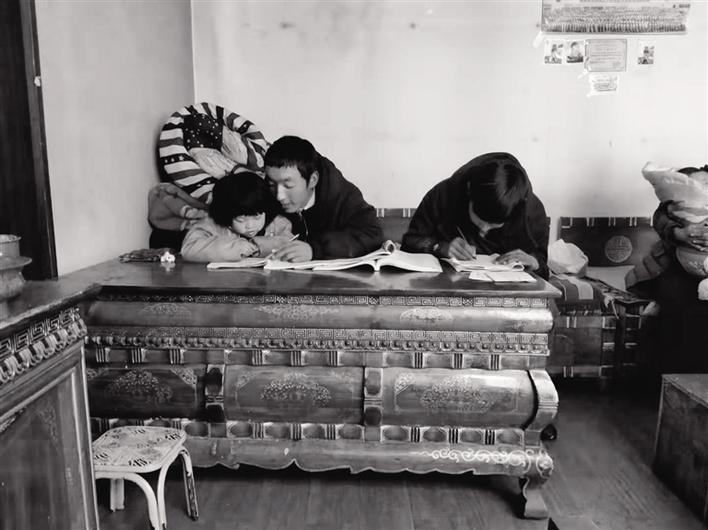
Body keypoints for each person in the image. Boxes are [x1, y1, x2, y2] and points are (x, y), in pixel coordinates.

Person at [402, 152, 549, 279]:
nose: (483, 231)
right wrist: (438, 247)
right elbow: (409, 242)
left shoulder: (532, 213)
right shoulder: (443, 195)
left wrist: (535, 263)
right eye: (479, 221)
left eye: (493, 225)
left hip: (507, 293)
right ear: (469, 190)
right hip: (446, 287)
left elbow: (544, 270)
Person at [627, 165, 708, 373]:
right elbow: (661, 215)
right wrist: (679, 233)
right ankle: (672, 380)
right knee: (677, 302)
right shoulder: (692, 185)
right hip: (675, 266)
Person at [264, 135, 383, 262]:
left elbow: (373, 234)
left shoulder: (341, 195)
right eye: (271, 184)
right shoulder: (268, 185)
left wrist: (315, 250)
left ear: (313, 180)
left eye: (288, 185)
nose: (279, 196)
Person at [181, 171, 293, 262]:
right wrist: (233, 248)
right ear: (226, 215)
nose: (250, 226)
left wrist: (259, 246)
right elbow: (189, 249)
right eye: (240, 220)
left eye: (257, 217)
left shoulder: (278, 223)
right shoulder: (211, 225)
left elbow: (290, 242)